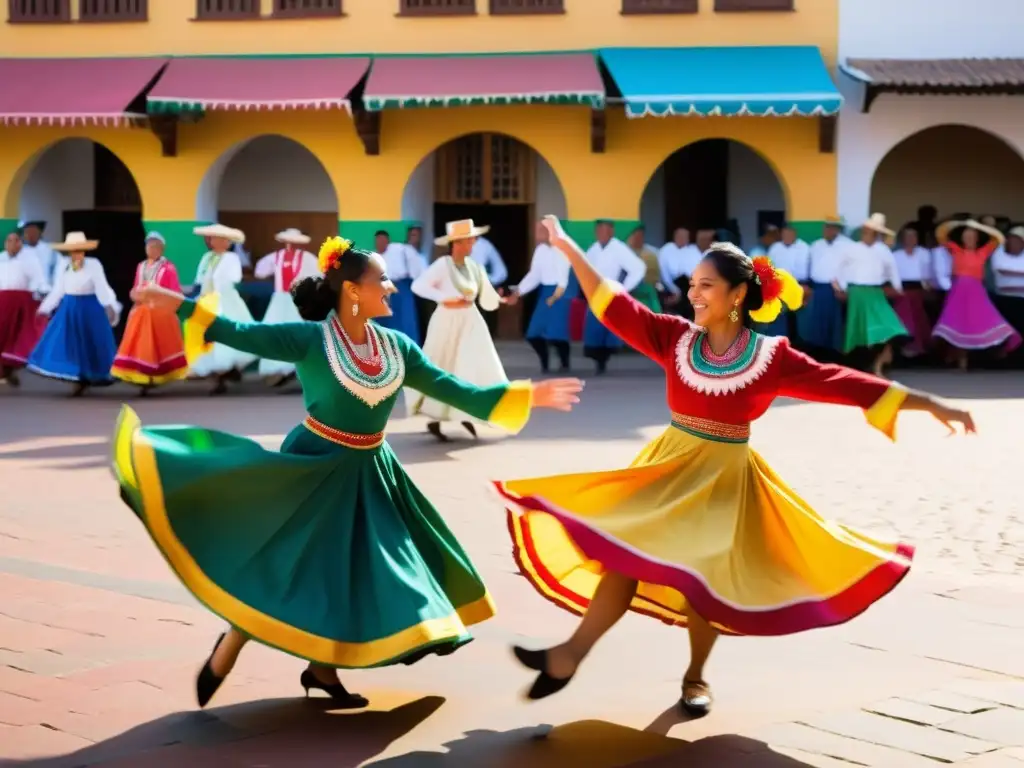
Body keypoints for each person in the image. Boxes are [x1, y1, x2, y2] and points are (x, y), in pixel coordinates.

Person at [497, 215, 974, 714]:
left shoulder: (771, 358)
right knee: (622, 558)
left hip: (724, 483)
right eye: (692, 285)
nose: (694, 294)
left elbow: (844, 382)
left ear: (738, 295)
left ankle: (695, 677)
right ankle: (567, 656)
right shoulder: (674, 338)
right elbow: (612, 304)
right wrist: (568, 245)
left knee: (704, 583)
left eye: (706, 286)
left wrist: (933, 403)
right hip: (667, 469)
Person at [118, 236, 582, 709]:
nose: (392, 288)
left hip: (371, 473)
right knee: (288, 566)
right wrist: (177, 302)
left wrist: (526, 395)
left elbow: (456, 390)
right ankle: (232, 645)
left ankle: (322, 670)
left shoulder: (398, 348)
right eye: (381, 280)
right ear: (353, 291)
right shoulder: (309, 339)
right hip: (313, 467)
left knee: (352, 571)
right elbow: (238, 331)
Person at [408, 219, 510, 442]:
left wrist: (502, 300)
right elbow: (419, 286)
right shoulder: (442, 265)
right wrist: (445, 299)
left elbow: (488, 297)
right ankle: (436, 416)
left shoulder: (475, 267)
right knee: (442, 365)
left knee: (473, 363)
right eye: (470, 240)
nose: (473, 243)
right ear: (458, 242)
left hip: (470, 321)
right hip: (446, 321)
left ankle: (468, 411)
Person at [28, 232, 121, 396]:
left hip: (90, 308)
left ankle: (85, 378)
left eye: (80, 250)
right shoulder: (64, 266)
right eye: (74, 250)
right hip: (70, 308)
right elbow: (58, 290)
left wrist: (109, 306)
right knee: (69, 343)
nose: (77, 253)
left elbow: (102, 286)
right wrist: (45, 308)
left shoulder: (94, 264)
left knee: (89, 343)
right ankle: (75, 377)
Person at [931, 219, 1021, 370]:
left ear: (977, 238)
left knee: (982, 322)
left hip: (976, 293)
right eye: (966, 236)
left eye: (972, 236)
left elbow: (998, 239)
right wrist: (959, 224)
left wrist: (980, 227)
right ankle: (960, 361)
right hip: (958, 292)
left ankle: (996, 351)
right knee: (959, 324)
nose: (969, 239)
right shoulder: (955, 249)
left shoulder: (983, 252)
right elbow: (941, 234)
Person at [111, 232, 188, 394]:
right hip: (142, 312)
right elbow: (136, 287)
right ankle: (143, 377)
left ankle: (153, 376)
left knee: (157, 346)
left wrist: (158, 295)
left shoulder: (168, 268)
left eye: (155, 246)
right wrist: (137, 297)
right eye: (149, 246)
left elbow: (174, 292)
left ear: (161, 249)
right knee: (140, 344)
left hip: (159, 313)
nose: (151, 249)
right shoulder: (141, 266)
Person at [835, 214, 907, 376]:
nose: (869, 234)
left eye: (873, 232)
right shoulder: (851, 248)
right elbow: (839, 269)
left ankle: (881, 360)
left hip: (876, 292)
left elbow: (892, 270)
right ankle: (868, 366)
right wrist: (840, 287)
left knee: (890, 326)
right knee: (860, 330)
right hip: (857, 292)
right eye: (867, 231)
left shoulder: (883, 251)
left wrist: (897, 287)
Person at [188, 224, 255, 395]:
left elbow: (235, 277)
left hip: (225, 300)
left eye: (219, 239)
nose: (214, 241)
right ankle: (218, 376)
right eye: (212, 238)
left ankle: (225, 373)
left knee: (224, 337)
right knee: (206, 338)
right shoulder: (207, 257)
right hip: (207, 301)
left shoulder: (231, 258)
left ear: (227, 242)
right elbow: (200, 280)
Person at [253, 228, 319, 387]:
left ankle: (299, 369)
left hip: (298, 299)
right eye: (288, 241)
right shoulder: (275, 257)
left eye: (294, 242)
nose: (291, 245)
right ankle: (279, 369)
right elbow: (260, 272)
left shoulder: (308, 258)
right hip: (280, 299)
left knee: (298, 332)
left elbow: (320, 275)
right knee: (275, 331)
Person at [582, 219, 645, 375]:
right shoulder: (593, 249)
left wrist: (624, 288)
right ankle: (598, 361)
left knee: (608, 328)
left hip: (611, 292)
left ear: (611, 232)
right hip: (595, 293)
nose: (602, 234)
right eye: (599, 230)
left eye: (605, 230)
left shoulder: (619, 248)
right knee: (594, 329)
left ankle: (604, 360)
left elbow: (638, 268)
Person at [509, 221, 572, 373]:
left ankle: (565, 363)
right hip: (545, 292)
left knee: (557, 334)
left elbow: (564, 276)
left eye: (540, 230)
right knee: (533, 334)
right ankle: (545, 363)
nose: (536, 233)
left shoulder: (563, 247)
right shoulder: (540, 250)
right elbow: (534, 275)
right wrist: (518, 293)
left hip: (560, 292)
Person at [0, 230, 48, 387]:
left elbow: (39, 280)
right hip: (2, 301)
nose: (12, 244)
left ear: (20, 243)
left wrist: (39, 296)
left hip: (21, 303)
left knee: (16, 338)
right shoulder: (1, 258)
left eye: (16, 240)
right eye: (9, 241)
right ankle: (5, 371)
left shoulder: (30, 259)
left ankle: (8, 370)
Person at [797, 216, 849, 359]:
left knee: (835, 324)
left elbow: (848, 269)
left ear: (838, 229)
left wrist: (843, 289)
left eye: (832, 227)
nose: (828, 230)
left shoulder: (847, 246)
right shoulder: (816, 245)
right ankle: (818, 356)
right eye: (826, 227)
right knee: (816, 324)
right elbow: (810, 266)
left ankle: (834, 357)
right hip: (817, 288)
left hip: (836, 290)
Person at [891, 228, 937, 359]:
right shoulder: (896, 255)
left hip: (918, 290)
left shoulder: (924, 253)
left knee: (918, 318)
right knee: (903, 317)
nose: (911, 239)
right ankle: (902, 347)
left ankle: (918, 347)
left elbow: (927, 273)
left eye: (913, 236)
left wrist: (928, 287)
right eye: (908, 236)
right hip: (901, 291)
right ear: (903, 239)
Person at [374, 229, 424, 343]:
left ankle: (409, 347)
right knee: (384, 319)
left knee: (405, 319)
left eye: (382, 241)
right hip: (381, 289)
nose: (380, 244)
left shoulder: (401, 249)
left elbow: (417, 266)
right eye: (377, 242)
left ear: (388, 241)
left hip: (401, 286)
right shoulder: (374, 256)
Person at [761, 224, 810, 338]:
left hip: (800, 284)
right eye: (784, 234)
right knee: (780, 316)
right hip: (780, 285)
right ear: (781, 234)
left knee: (800, 317)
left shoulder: (804, 247)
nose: (787, 236)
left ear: (794, 234)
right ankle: (781, 342)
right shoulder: (775, 248)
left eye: (790, 234)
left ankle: (800, 343)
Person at [990, 226, 1024, 364]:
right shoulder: (998, 253)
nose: (1013, 242)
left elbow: (1007, 271)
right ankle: (1003, 360)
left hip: (1022, 299)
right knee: (1005, 332)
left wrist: (1012, 273)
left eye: (1017, 240)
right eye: (1010, 239)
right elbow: (1001, 269)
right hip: (1003, 298)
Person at [657, 227, 700, 319]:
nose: (681, 238)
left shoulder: (693, 251)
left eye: (684, 236)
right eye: (679, 236)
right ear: (674, 237)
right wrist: (674, 290)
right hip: (670, 285)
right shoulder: (666, 250)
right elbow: (664, 274)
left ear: (688, 239)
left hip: (689, 285)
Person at [625, 225, 663, 314]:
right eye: (635, 235)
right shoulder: (623, 251)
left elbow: (655, 276)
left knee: (651, 293)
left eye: (641, 235)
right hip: (628, 289)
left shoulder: (651, 254)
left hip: (646, 288)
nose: (638, 238)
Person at [18, 220, 60, 291]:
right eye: (27, 232)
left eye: (33, 232)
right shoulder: (20, 251)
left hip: (46, 290)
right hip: (26, 291)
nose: (31, 235)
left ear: (40, 233)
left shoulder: (49, 249)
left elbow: (58, 269)